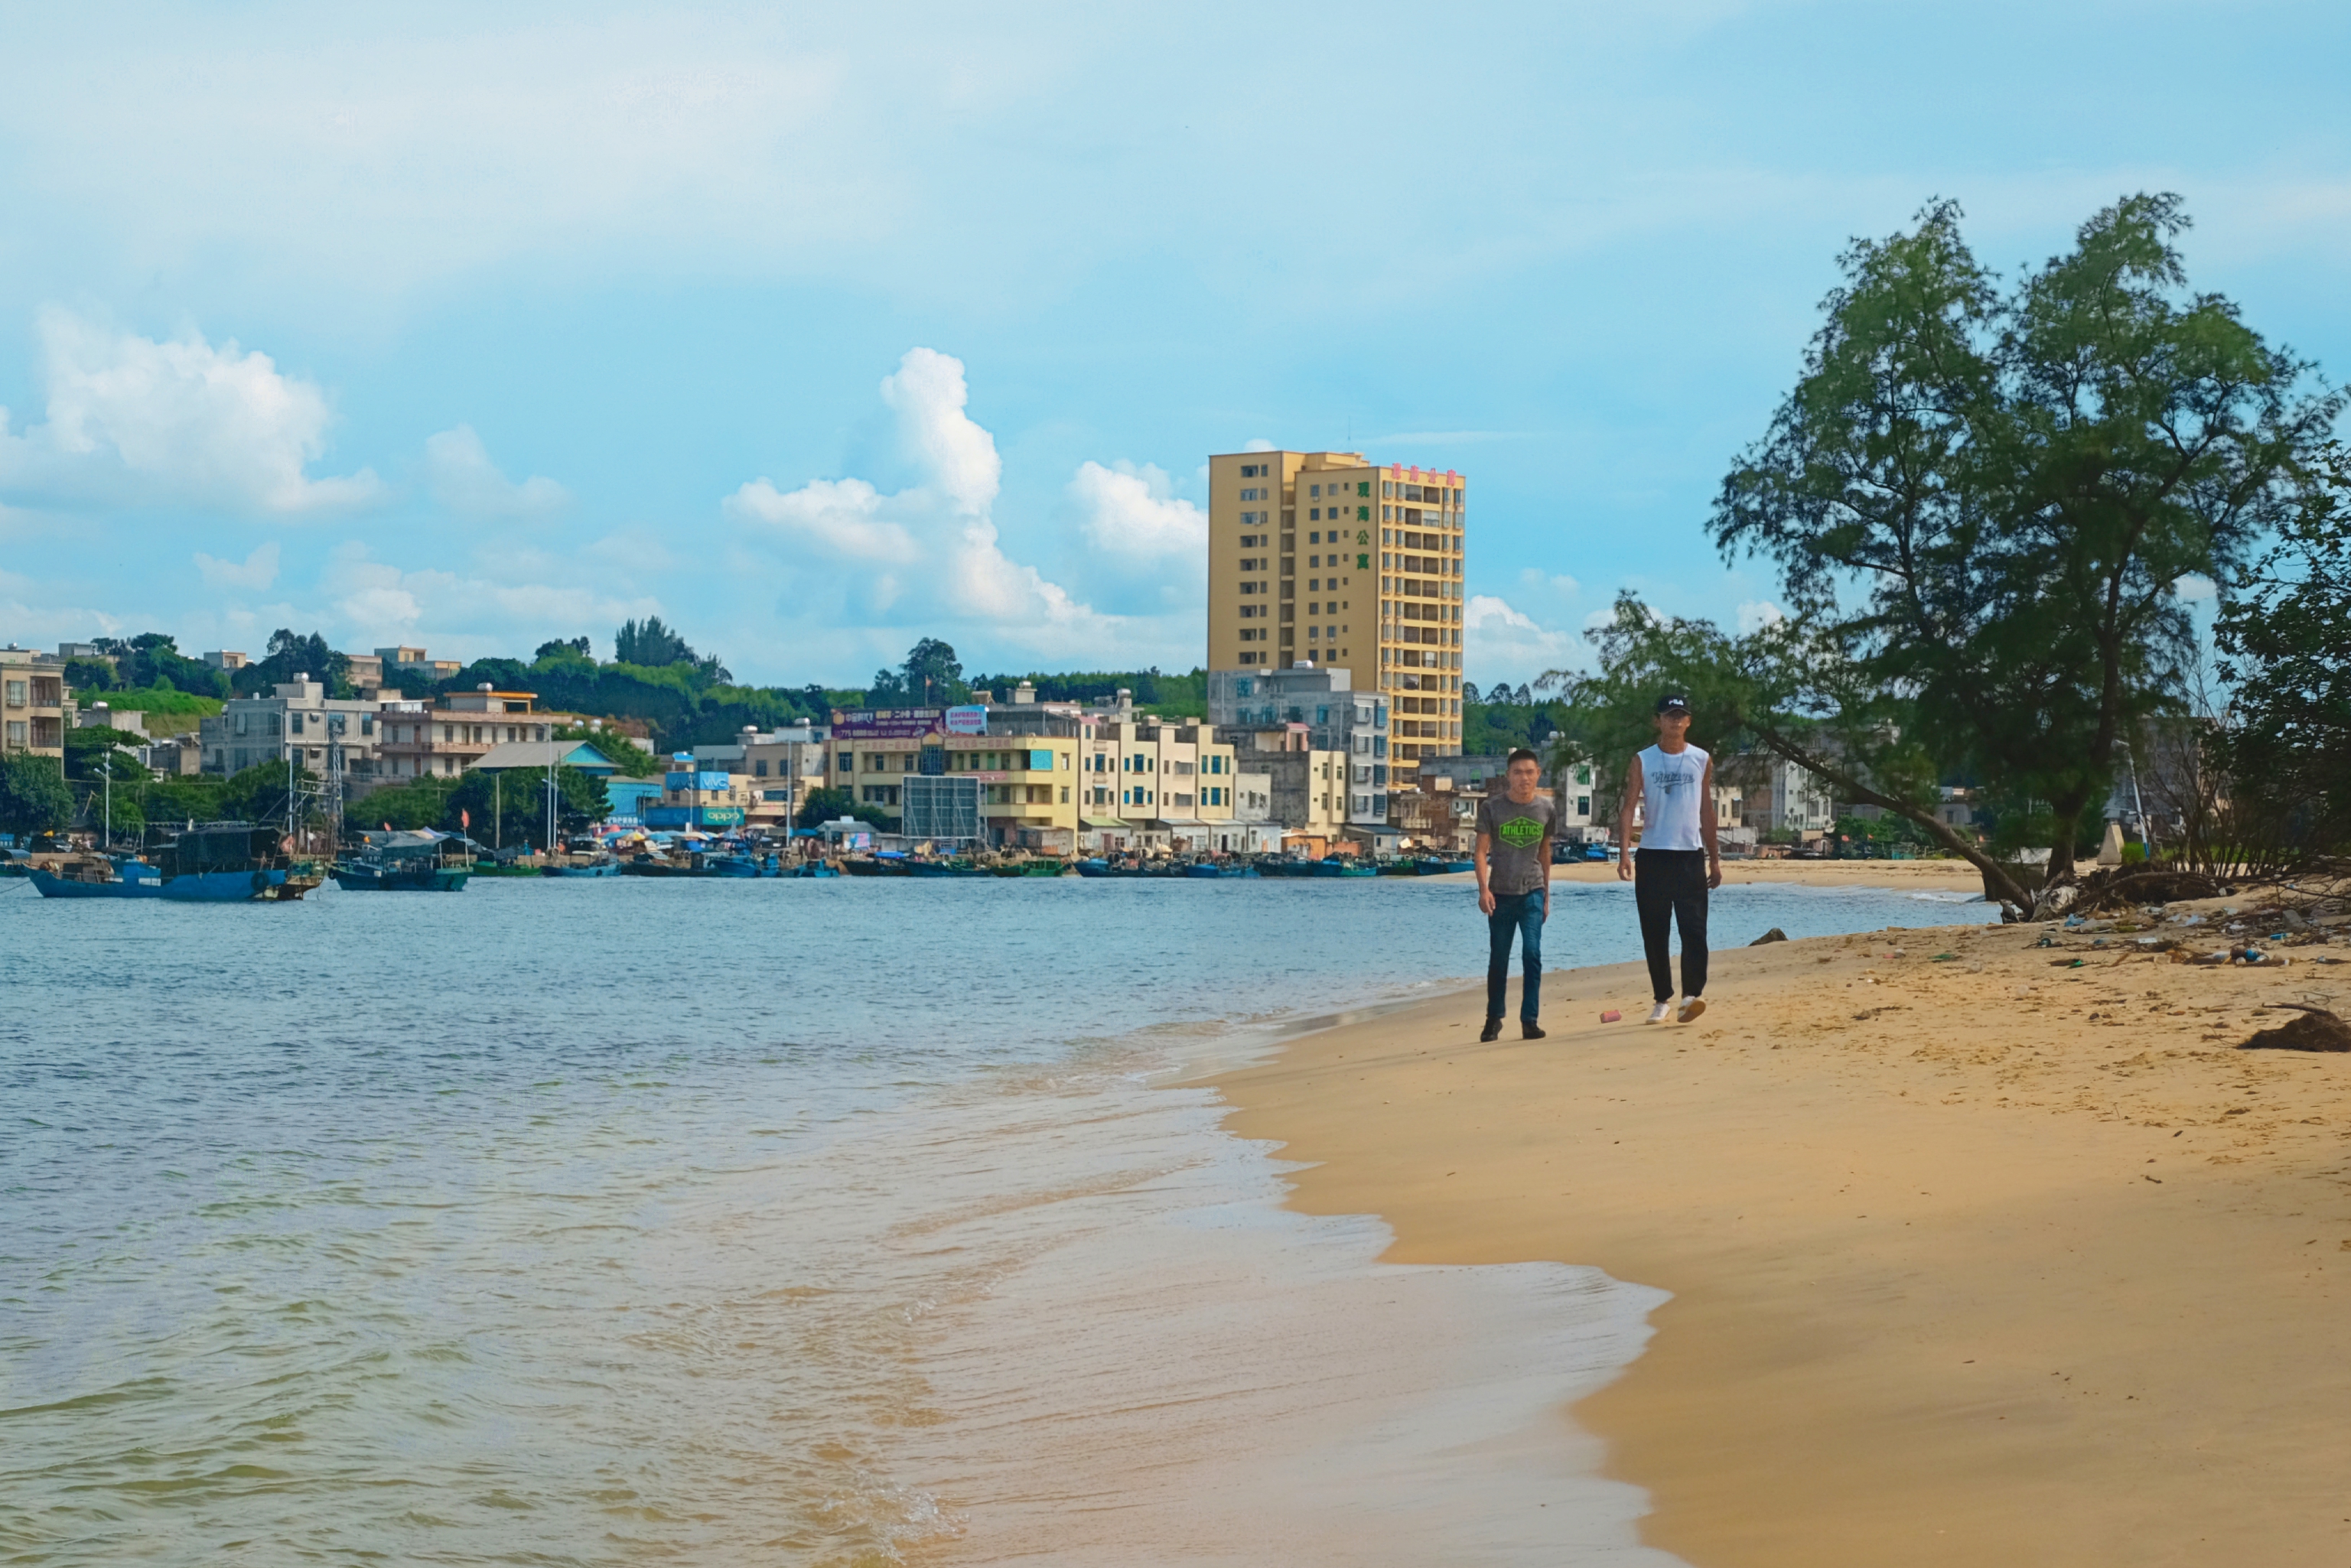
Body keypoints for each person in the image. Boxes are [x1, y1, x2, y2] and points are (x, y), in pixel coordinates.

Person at [1617, 693, 1721, 1023]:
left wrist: (1715, 859)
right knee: (1655, 930)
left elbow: (1707, 808)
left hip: (1689, 855)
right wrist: (1623, 852)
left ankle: (1692, 995)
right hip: (1653, 854)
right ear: (1658, 721)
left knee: (1694, 929)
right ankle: (1662, 997)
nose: (1675, 720)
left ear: (1689, 721)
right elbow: (1630, 804)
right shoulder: (1643, 760)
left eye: (1681, 715)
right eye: (1669, 715)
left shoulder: (1701, 759)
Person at [1473, 747, 1557, 1043]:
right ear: (1508, 775)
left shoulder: (1546, 809)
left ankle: (1529, 1021)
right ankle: (1494, 1018)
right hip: (1501, 893)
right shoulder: (1492, 808)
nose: (1524, 778)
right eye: (1518, 772)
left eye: (1530, 772)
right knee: (1499, 958)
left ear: (1538, 775)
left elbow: (1545, 853)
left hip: (1532, 891)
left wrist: (1547, 896)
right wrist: (1484, 890)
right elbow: (1481, 853)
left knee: (1532, 954)